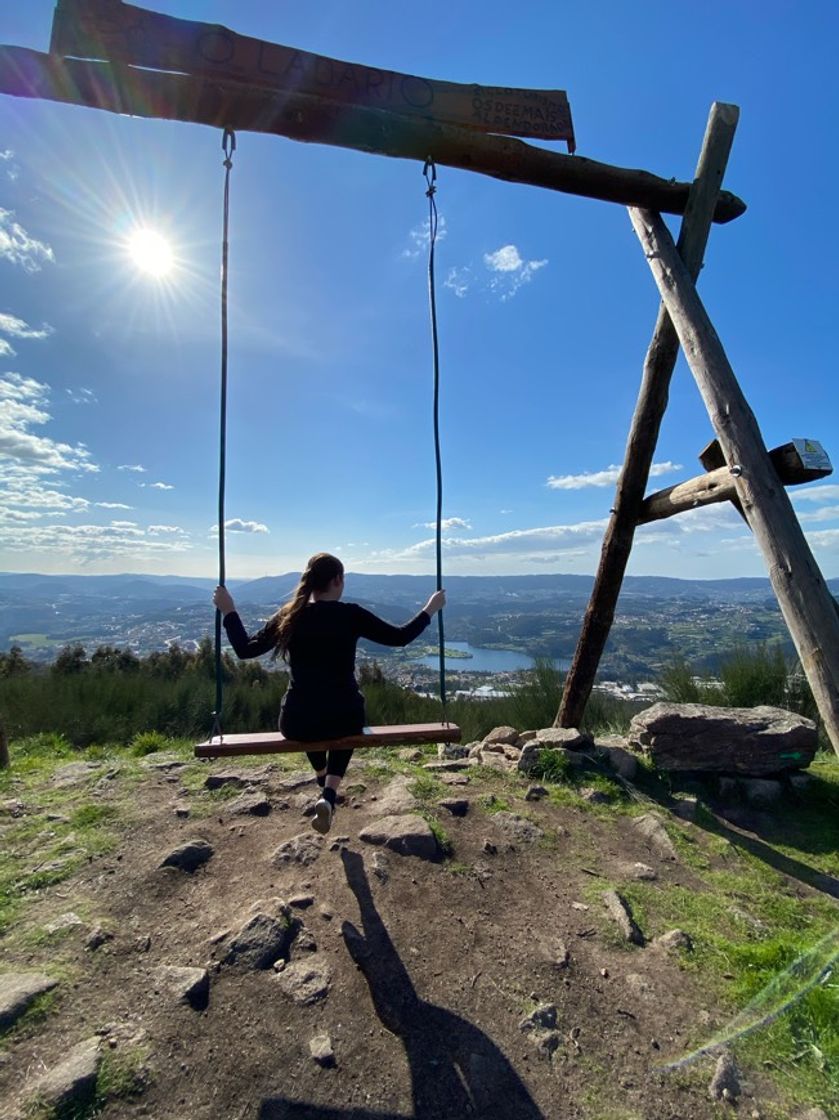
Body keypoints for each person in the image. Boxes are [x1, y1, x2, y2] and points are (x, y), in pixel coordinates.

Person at [213, 553, 445, 835]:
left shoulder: (290, 617)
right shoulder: (350, 614)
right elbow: (400, 638)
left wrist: (229, 611)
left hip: (297, 722)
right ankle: (329, 795)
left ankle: (321, 777)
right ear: (337, 580)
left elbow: (244, 649)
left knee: (313, 710)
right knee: (345, 713)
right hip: (344, 717)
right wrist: (430, 609)